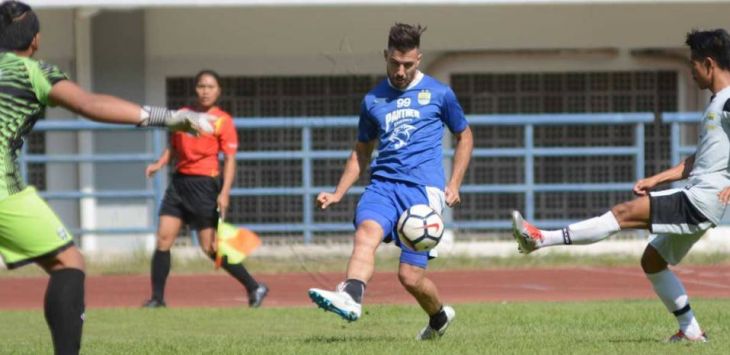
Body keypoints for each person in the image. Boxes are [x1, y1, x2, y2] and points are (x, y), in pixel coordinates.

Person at [0, 2, 216, 354]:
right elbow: (89, 104)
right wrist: (169, 117)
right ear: (36, 40)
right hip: (2, 190)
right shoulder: (30, 70)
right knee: (67, 263)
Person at [511, 28, 730, 343]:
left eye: (692, 64)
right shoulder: (717, 103)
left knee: (623, 213)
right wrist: (656, 179)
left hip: (701, 200)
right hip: (699, 196)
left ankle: (539, 239)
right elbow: (700, 159)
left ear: (708, 64)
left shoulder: (727, 101)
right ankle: (691, 332)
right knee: (652, 261)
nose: (690, 70)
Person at [308, 23, 473, 340]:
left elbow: (464, 135)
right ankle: (351, 297)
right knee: (366, 232)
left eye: (408, 65)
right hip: (383, 185)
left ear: (419, 59)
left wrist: (454, 184)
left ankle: (438, 317)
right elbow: (361, 151)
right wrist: (338, 192)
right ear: (386, 56)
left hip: (422, 194)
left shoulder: (440, 93)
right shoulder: (372, 99)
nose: (400, 71)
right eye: (395, 63)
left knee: (409, 277)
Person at [142, 70, 268, 309]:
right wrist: (160, 163)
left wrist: (225, 192)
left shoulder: (223, 121)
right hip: (179, 184)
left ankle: (254, 286)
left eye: (210, 86)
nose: (205, 91)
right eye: (201, 86)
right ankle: (157, 299)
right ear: (195, 89)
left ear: (218, 91)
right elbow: (173, 145)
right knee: (163, 239)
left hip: (205, 186)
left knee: (210, 248)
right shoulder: (183, 115)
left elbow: (230, 159)